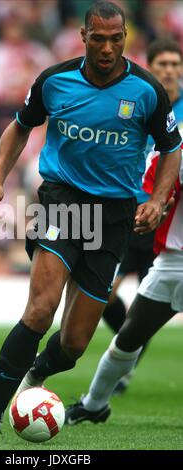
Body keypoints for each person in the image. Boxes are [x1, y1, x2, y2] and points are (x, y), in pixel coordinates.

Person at [0, 1, 182, 444]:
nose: (106, 48)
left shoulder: (147, 91)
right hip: (64, 202)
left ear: (126, 38)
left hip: (115, 213)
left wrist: (158, 199)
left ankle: (36, 377)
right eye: (98, 38)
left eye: (115, 39)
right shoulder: (54, 80)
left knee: (76, 343)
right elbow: (19, 127)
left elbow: (171, 148)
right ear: (83, 37)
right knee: (41, 309)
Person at [64, 141, 183, 425]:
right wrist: (152, 206)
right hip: (172, 262)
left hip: (166, 258)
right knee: (128, 337)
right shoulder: (175, 148)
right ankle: (93, 405)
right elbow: (151, 188)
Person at [101, 37, 183, 394]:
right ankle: (127, 354)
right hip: (127, 214)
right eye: (162, 64)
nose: (169, 70)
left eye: (175, 65)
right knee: (102, 293)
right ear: (151, 66)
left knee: (147, 303)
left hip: (166, 222)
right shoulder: (139, 103)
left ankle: (124, 362)